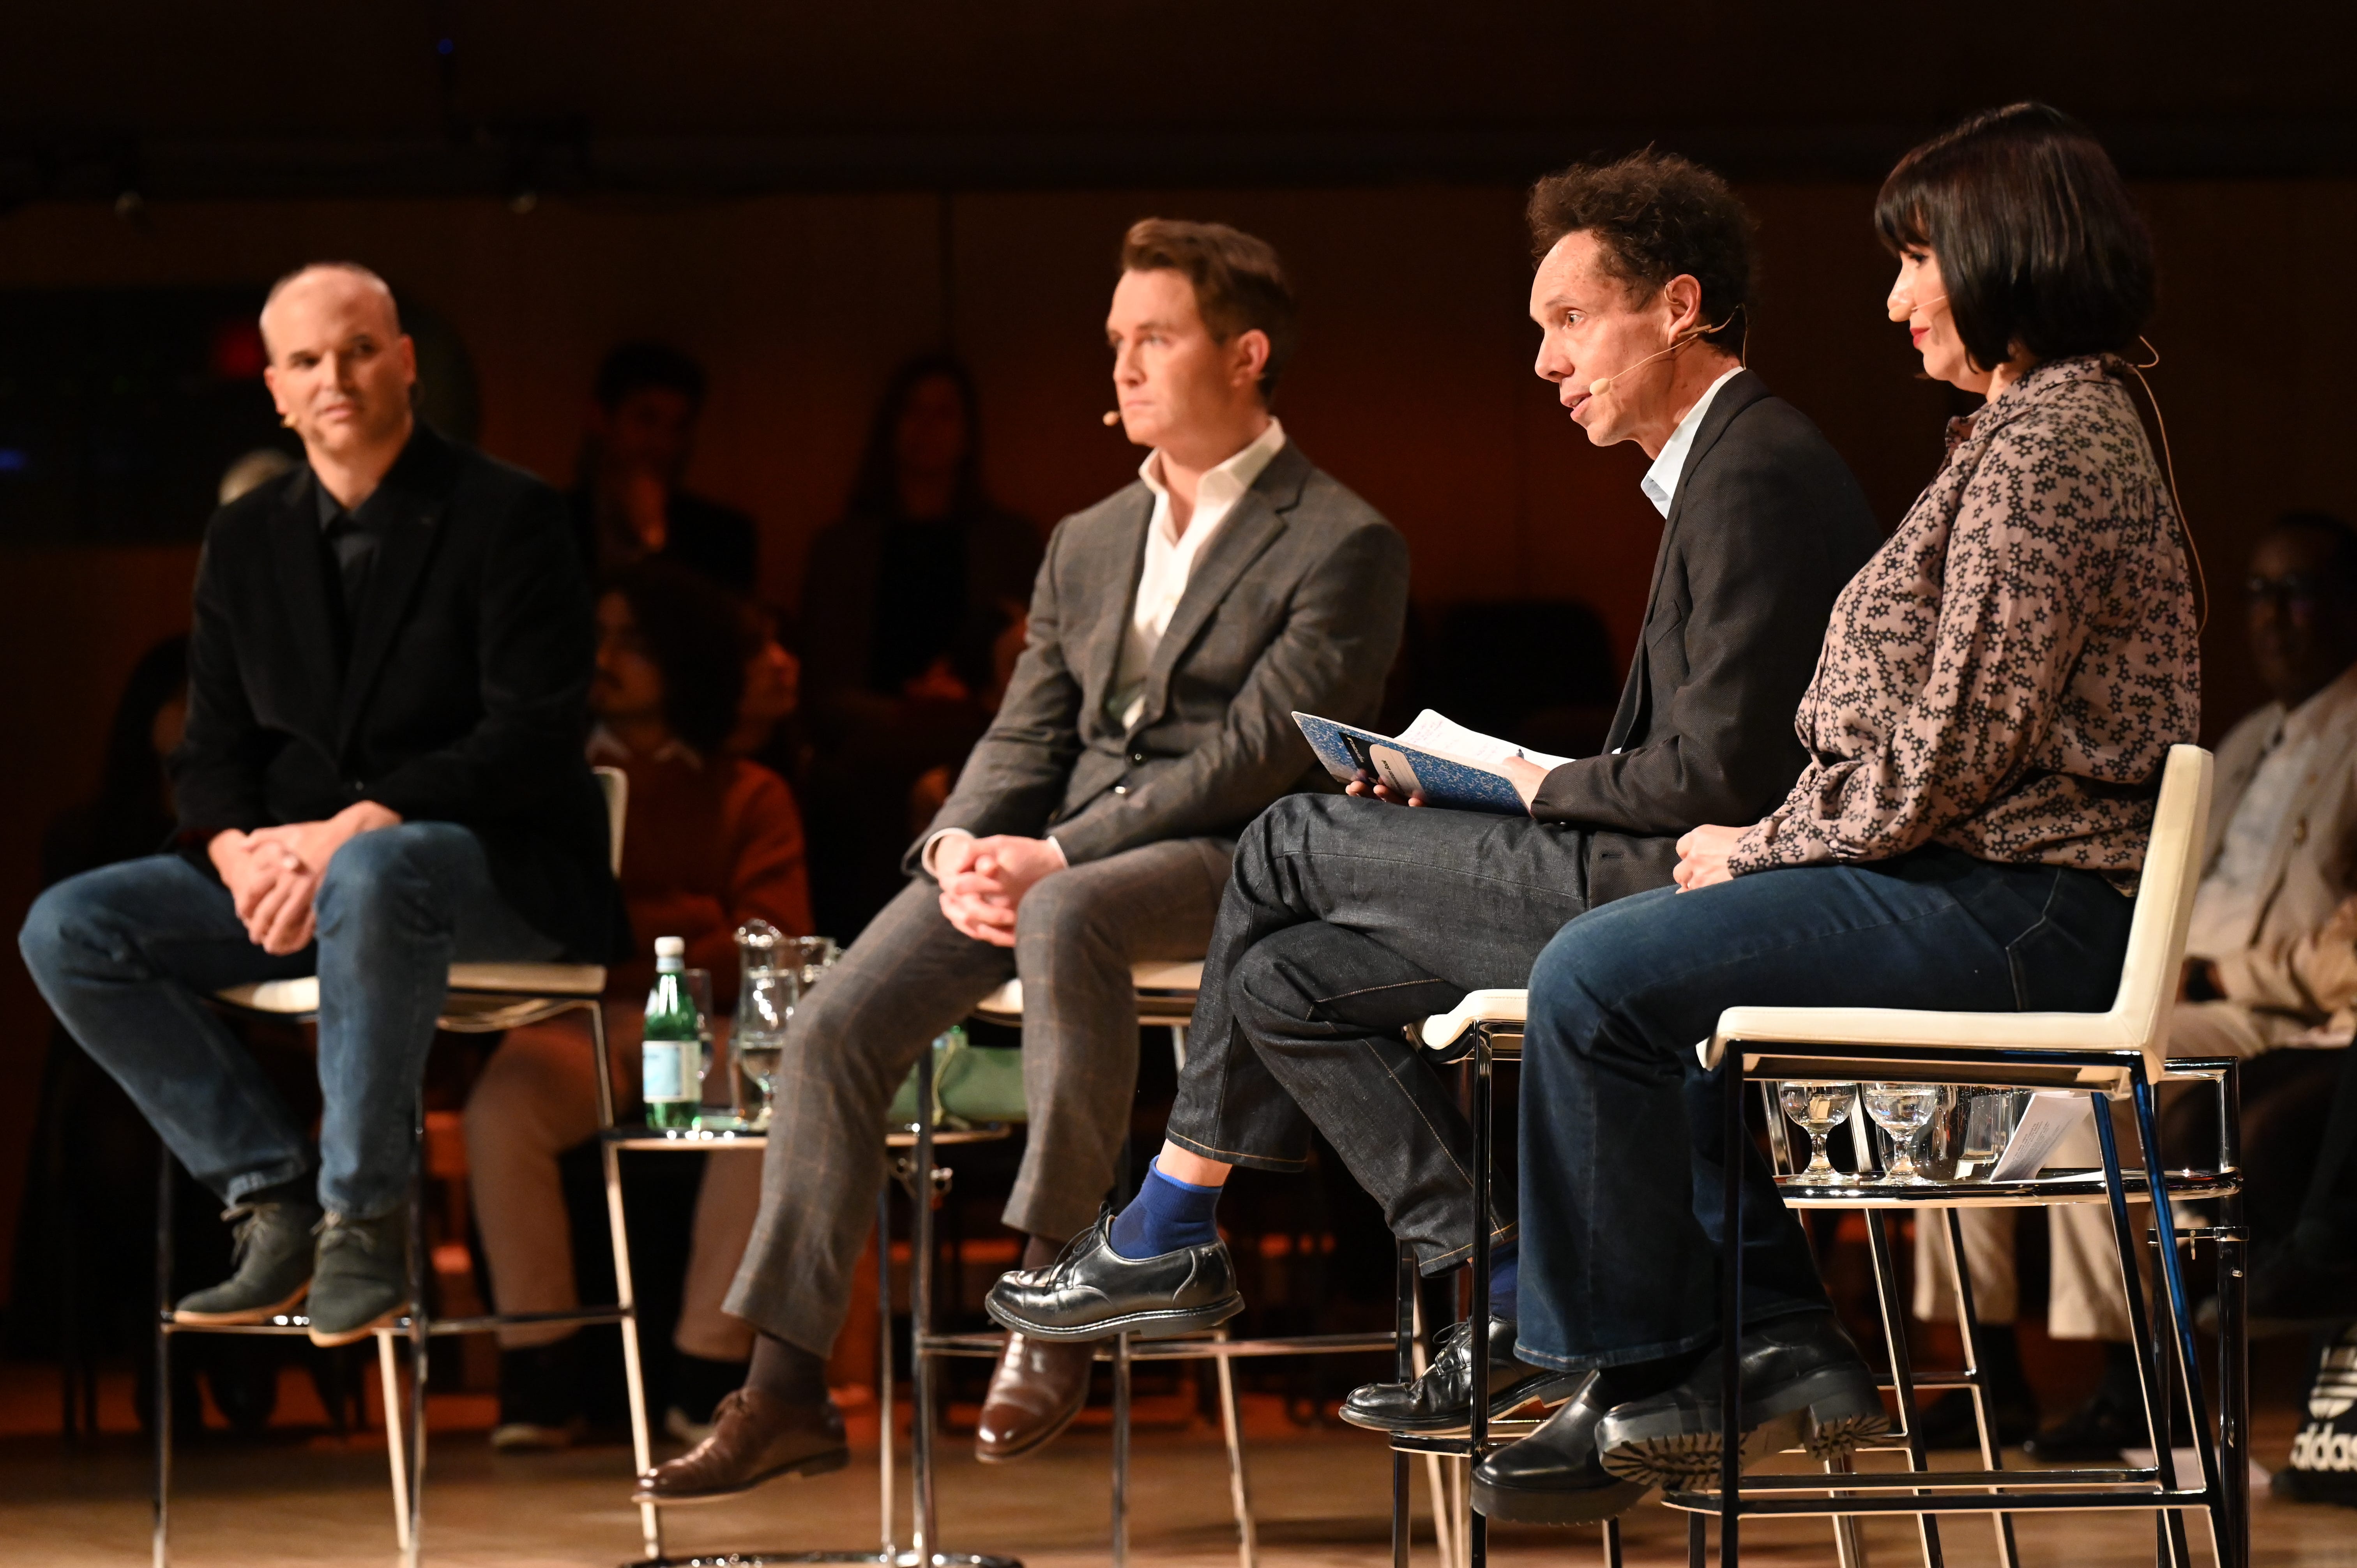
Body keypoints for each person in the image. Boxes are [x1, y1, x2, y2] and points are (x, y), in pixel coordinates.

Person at [986, 151, 1884, 1450]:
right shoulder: (1727, 465)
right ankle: (1498, 1278)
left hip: (1696, 894)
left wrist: (1525, 785)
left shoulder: (1752, 466)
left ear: (1677, 307)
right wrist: (1503, 787)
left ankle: (1170, 1220)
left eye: (1569, 320)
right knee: (1281, 978)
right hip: (1662, 872)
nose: (1545, 361)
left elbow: (1723, 778)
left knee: (1286, 836)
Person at [1468, 103, 2198, 1525]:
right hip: (1991, 885)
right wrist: (1760, 856)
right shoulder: (2027, 430)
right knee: (1654, 962)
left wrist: (1759, 845)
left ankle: (1640, 1378)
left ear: (1999, 250)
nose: (1894, 298)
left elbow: (1952, 749)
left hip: (2024, 907)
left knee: (1596, 975)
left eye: (1916, 259)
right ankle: (1758, 1348)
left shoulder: (2053, 443)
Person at [634, 218, 1411, 1502]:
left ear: (1247, 354)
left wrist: (1054, 851)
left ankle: (1058, 1294)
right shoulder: (1087, 538)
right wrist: (956, 844)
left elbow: (1256, 755)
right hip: (1057, 853)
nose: (1124, 365)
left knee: (1068, 914)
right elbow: (1025, 731)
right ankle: (782, 1389)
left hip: (1238, 856)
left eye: (1154, 338)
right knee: (831, 1024)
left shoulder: (1343, 539)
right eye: (1115, 341)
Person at [19, 262, 628, 1349]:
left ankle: (366, 1221)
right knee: (70, 926)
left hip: (493, 872)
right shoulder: (244, 537)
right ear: (277, 391)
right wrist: (240, 853)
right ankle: (273, 1194)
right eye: (306, 360)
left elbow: (533, 734)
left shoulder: (512, 514)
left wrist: (355, 828)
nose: (334, 377)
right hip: (306, 880)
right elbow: (211, 752)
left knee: (378, 867)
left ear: (406, 363)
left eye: (358, 350)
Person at [1913, 511, 2357, 1456]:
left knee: (2089, 1081)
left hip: (2279, 1009)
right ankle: (1987, 1365)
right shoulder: (2246, 741)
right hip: (2179, 991)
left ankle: (2135, 1378)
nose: (2273, 615)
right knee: (1975, 1071)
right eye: (2259, 593)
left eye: (2300, 591)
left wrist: (2222, 969)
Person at [465, 560, 814, 1449]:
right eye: (598, 636)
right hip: (574, 1022)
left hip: (711, 1023)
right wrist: (689, 920)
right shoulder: (550, 786)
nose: (604, 657)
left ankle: (708, 1370)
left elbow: (769, 942)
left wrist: (630, 935)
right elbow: (540, 932)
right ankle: (540, 1368)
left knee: (765, 1100)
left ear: (684, 656)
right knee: (502, 1107)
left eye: (632, 641)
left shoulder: (751, 791)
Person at [797, 354, 1043, 935]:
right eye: (913, 411)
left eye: (944, 414)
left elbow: (1033, 661)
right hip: (874, 735)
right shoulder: (843, 546)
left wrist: (963, 695)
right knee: (859, 780)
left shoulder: (1009, 542)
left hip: (982, 726)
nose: (926, 429)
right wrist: (912, 708)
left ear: (968, 432)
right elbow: (823, 685)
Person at [570, 341, 760, 596]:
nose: (664, 445)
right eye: (646, 420)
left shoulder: (724, 537)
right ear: (600, 418)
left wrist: (653, 538)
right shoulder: (545, 527)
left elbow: (708, 618)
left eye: (679, 427)